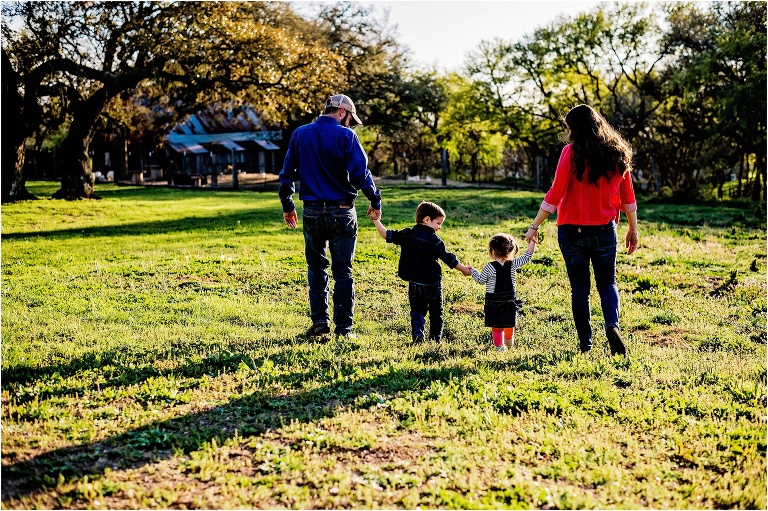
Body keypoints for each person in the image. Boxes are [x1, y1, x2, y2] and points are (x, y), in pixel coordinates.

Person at [525, 104, 638, 355]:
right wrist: (633, 229)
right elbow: (628, 197)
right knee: (608, 284)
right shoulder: (617, 152)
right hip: (604, 230)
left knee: (580, 289)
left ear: (573, 128)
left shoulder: (571, 152)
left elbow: (555, 193)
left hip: (571, 230)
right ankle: (612, 325)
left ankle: (586, 345)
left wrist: (535, 226)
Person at [279, 94, 381, 339]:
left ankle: (320, 323)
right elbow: (360, 174)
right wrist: (375, 199)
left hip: (311, 211)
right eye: (350, 119)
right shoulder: (347, 136)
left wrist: (288, 204)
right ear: (343, 112)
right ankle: (344, 330)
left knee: (316, 268)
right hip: (342, 211)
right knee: (343, 271)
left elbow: (287, 173)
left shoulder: (299, 134)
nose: (349, 124)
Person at [370, 201, 472, 343]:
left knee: (417, 311)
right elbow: (448, 258)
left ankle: (418, 335)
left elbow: (386, 235)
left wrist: (376, 221)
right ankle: (436, 339)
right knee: (436, 312)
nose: (439, 227)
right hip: (432, 283)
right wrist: (463, 269)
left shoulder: (407, 234)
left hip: (414, 282)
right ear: (427, 220)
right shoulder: (435, 240)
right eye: (438, 223)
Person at [470, 233, 536, 352]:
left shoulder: (489, 267)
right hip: (509, 301)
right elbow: (527, 256)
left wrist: (473, 272)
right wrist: (533, 242)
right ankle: (509, 341)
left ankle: (499, 347)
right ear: (511, 250)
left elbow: (480, 280)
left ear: (493, 251)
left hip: (493, 302)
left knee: (496, 326)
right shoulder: (513, 264)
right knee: (509, 323)